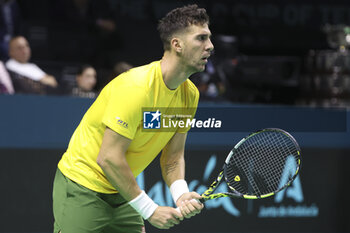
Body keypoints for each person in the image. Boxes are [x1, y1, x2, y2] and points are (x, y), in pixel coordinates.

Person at [52, 4, 214, 233]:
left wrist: (181, 194)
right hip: (83, 187)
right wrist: (150, 210)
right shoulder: (136, 87)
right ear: (177, 44)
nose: (210, 46)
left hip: (122, 190)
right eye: (201, 38)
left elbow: (173, 157)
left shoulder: (190, 95)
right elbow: (108, 157)